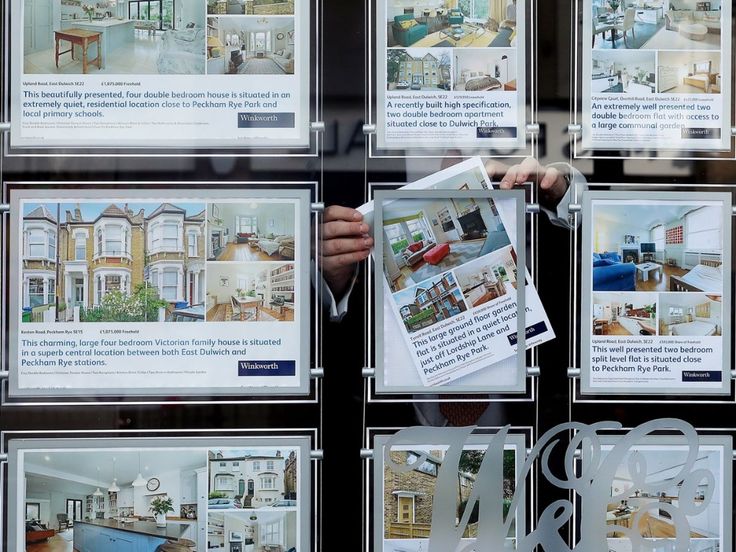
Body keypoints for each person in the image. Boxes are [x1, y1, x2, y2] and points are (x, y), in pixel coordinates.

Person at [320, 157, 584, 319]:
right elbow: (330, 299)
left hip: (538, 369)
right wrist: (335, 279)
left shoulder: (522, 130)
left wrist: (560, 197)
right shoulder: (353, 162)